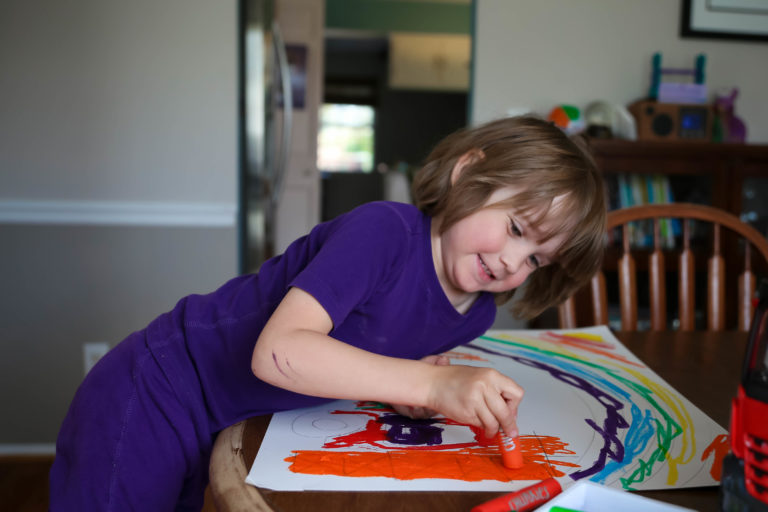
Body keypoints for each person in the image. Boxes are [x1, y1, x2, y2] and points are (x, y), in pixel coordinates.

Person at [49, 115, 606, 511]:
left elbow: (361, 353)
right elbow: (279, 352)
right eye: (514, 228)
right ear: (467, 173)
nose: (512, 261)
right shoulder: (384, 232)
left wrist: (408, 391)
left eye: (535, 257)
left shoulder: (475, 314)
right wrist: (434, 387)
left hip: (222, 426)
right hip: (155, 391)